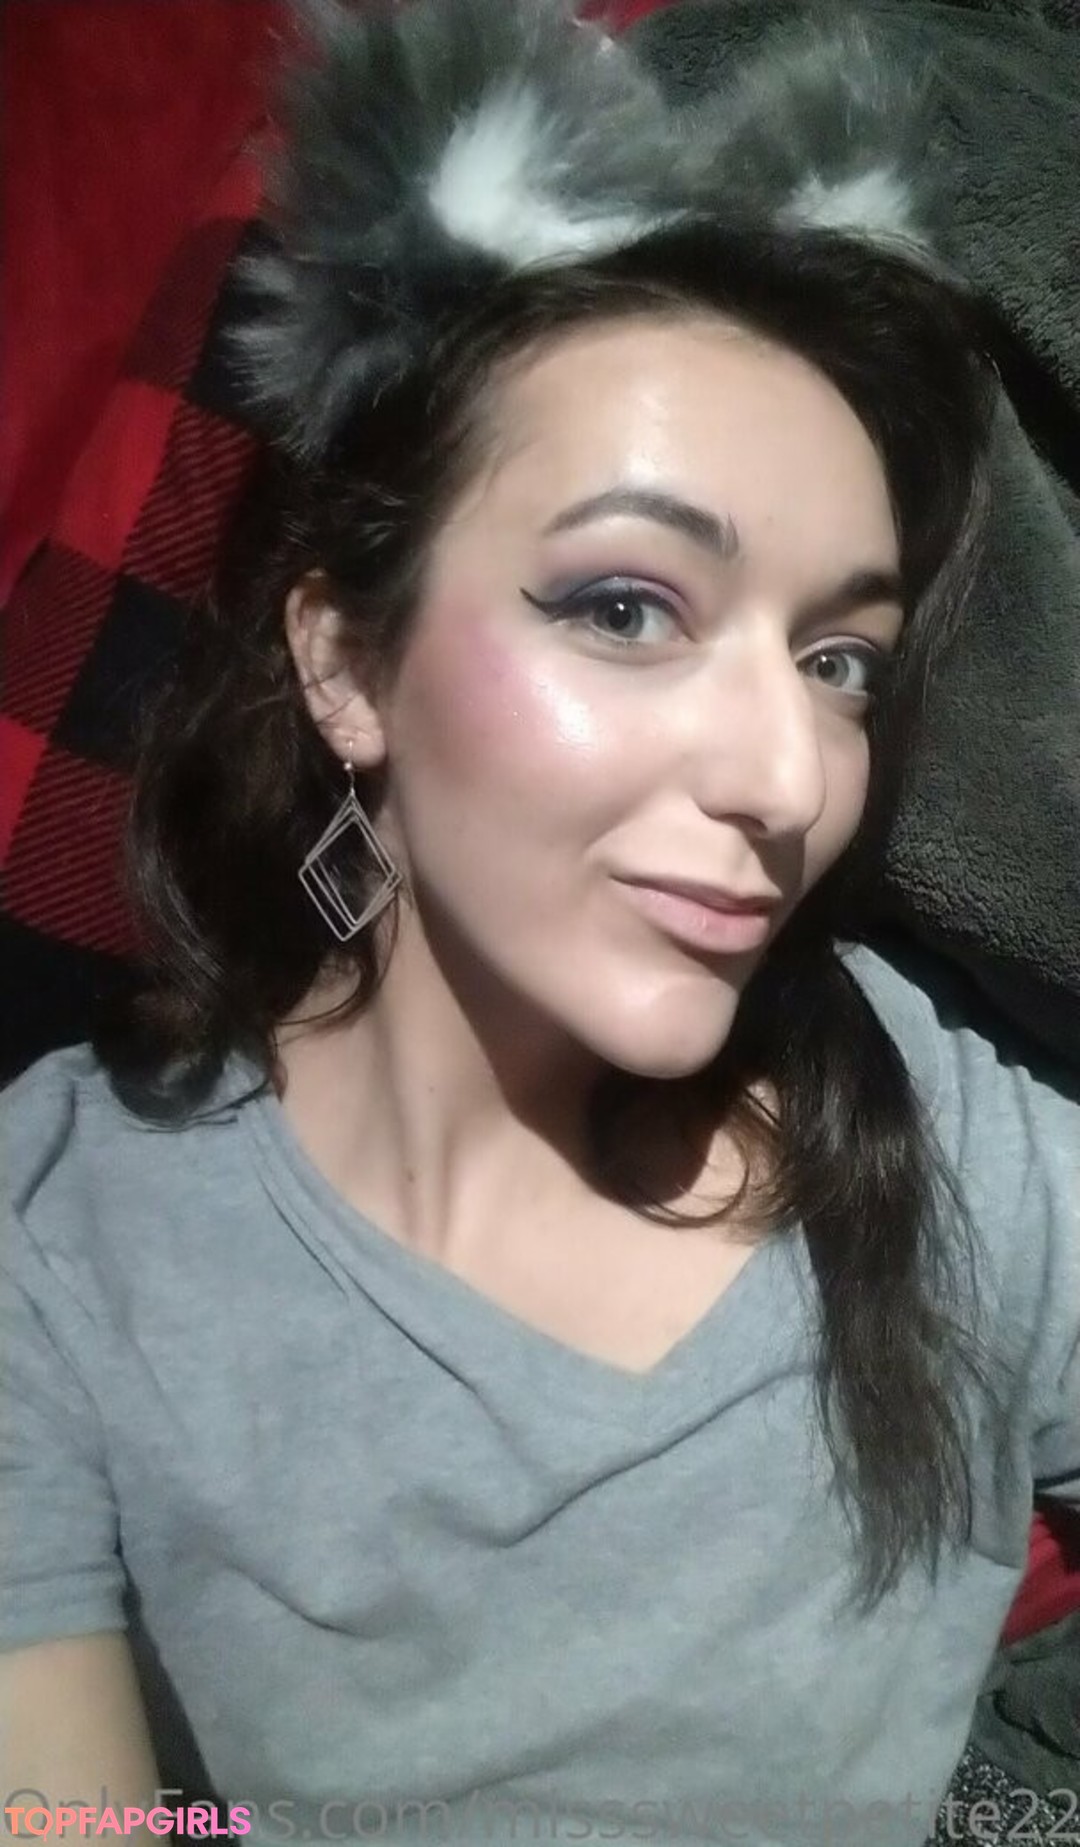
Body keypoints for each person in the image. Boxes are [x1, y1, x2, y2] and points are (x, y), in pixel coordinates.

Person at [1, 3, 1077, 1845]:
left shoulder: (956, 1144)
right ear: (348, 662)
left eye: (839, 660)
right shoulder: (60, 1237)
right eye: (628, 608)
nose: (791, 776)